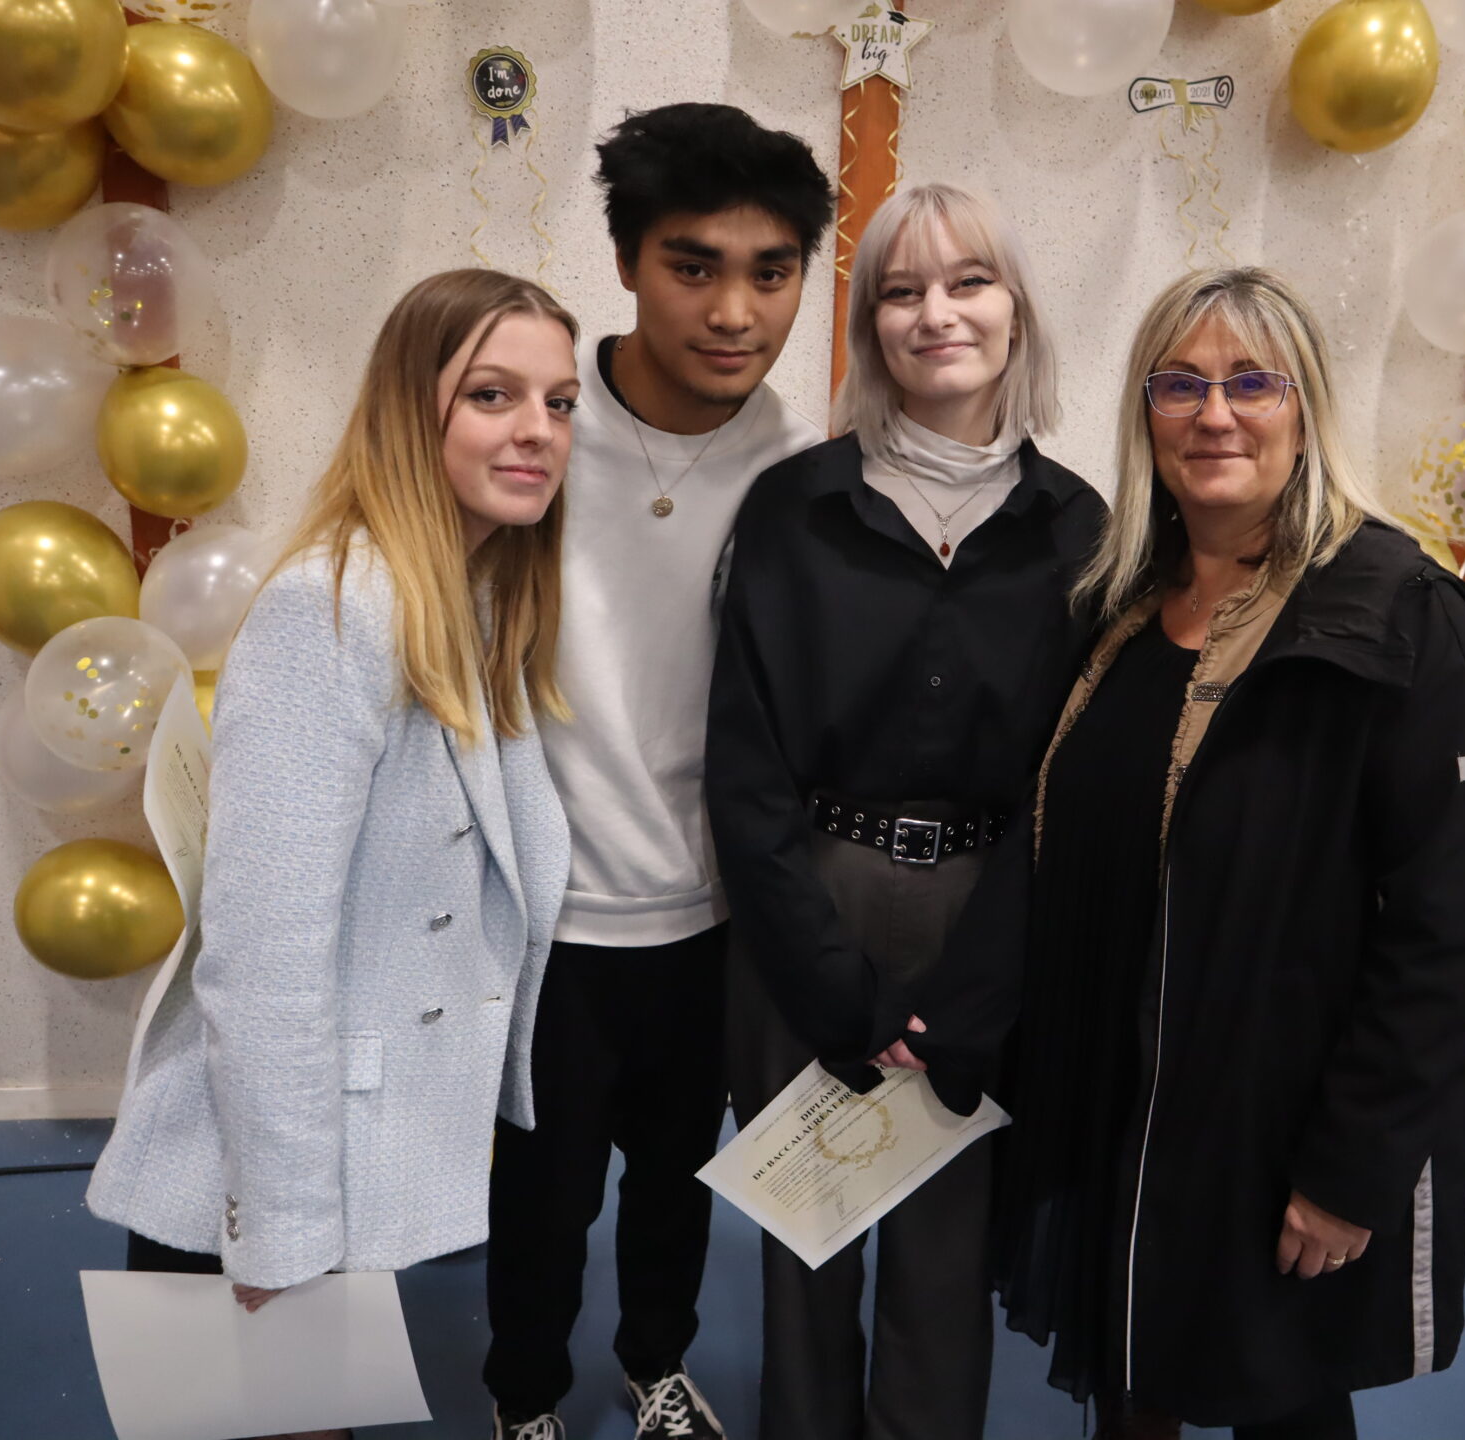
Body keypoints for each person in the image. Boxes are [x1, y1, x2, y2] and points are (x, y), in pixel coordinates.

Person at [993, 266, 1465, 1440]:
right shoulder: (1120, 604)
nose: (1214, 414)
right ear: (1145, 416)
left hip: (1275, 1119)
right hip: (1122, 1093)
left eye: (1250, 383)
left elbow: (1443, 939)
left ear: (1305, 409)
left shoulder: (1400, 621)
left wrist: (1351, 1169)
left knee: (1280, 1395)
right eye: (1179, 385)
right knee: (1131, 1374)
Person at [86, 268, 581, 1440]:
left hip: (336, 1153)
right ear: (412, 410)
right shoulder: (336, 607)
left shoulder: (473, 596)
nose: (538, 430)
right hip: (263, 1183)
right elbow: (263, 961)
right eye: (493, 395)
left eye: (560, 402)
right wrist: (285, 1233)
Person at [707, 182, 1106, 1440]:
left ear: (1016, 309)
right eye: (901, 291)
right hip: (809, 903)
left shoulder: (1082, 529)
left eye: (969, 282)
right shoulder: (794, 507)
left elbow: (1073, 786)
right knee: (808, 1245)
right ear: (871, 327)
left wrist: (982, 991)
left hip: (993, 913)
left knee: (946, 1255)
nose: (939, 314)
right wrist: (835, 989)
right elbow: (746, 771)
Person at [482, 103, 832, 1440]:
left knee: (681, 1180)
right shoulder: (536, 434)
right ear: (628, 262)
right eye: (694, 266)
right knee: (542, 1195)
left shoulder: (800, 473)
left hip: (715, 918)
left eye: (771, 271)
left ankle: (656, 1368)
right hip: (550, 918)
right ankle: (523, 1398)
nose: (735, 311)